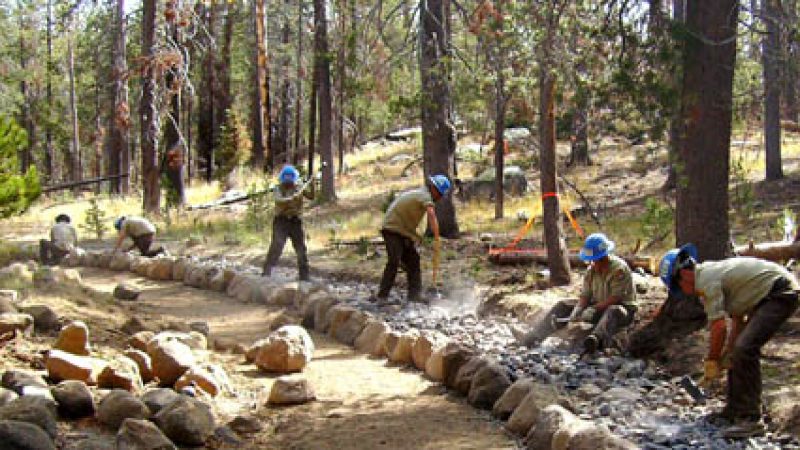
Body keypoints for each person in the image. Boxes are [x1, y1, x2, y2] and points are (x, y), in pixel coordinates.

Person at [659, 244, 799, 438]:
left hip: (779, 292)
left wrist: (712, 361)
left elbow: (718, 328)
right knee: (736, 351)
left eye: (677, 286)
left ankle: (751, 418)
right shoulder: (711, 274)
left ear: (683, 274)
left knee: (745, 349)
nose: (682, 291)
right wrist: (726, 355)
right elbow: (736, 321)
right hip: (767, 294)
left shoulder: (706, 281)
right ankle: (735, 409)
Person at [513, 233, 637, 353]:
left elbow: (616, 298)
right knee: (563, 305)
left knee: (613, 310)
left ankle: (595, 339)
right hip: (598, 307)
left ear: (604, 256)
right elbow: (585, 295)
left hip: (622, 311)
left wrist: (593, 309)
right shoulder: (591, 271)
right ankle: (535, 336)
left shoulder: (619, 269)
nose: (593, 263)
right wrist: (578, 309)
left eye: (596, 260)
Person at [372, 174, 451, 305]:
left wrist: (416, 237)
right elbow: (431, 214)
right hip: (392, 229)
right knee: (394, 260)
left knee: (414, 260)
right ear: (434, 189)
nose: (440, 197)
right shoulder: (425, 196)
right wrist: (437, 236)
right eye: (440, 194)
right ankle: (382, 296)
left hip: (403, 231)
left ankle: (414, 295)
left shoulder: (420, 194)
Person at [262, 165, 314, 281]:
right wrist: (291, 198)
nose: (289, 184)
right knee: (276, 247)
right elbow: (279, 200)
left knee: (301, 249)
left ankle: (304, 277)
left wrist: (312, 185)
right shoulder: (277, 189)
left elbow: (311, 197)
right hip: (281, 222)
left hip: (295, 221)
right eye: (287, 182)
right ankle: (266, 273)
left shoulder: (300, 187)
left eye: (290, 182)